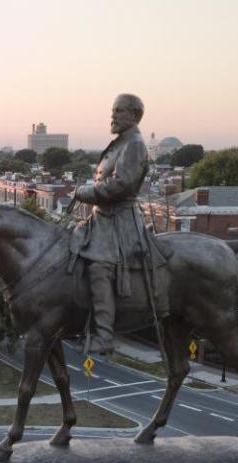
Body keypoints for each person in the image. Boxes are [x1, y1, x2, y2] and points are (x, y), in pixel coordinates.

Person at [72, 93, 150, 356]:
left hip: (120, 222)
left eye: (119, 111)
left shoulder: (135, 144)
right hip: (101, 218)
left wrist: (85, 192)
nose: (113, 116)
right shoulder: (119, 144)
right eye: (113, 111)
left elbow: (122, 184)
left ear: (134, 115)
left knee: (99, 268)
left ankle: (104, 335)